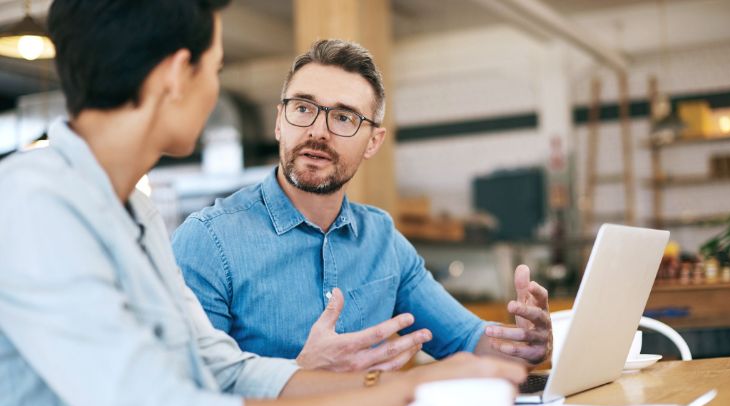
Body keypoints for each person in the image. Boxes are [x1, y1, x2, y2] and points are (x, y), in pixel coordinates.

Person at [0, 2, 527, 406]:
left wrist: (392, 385)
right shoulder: (30, 203)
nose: (214, 91)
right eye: (216, 69)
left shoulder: (133, 209)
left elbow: (222, 370)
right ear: (175, 77)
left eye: (344, 117)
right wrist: (412, 392)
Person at [172, 39, 553, 373]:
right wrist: (300, 372)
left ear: (373, 142)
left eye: (343, 117)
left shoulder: (382, 240)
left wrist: (525, 347)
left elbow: (470, 342)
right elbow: (186, 397)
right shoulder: (207, 241)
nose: (318, 131)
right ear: (278, 122)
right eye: (303, 108)